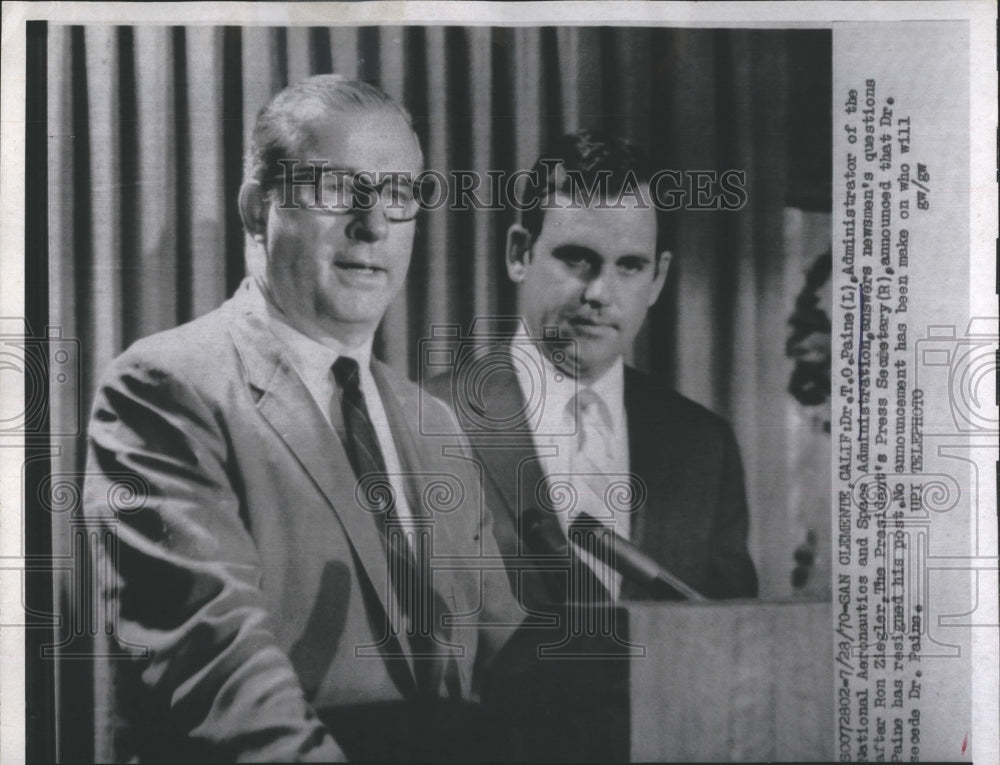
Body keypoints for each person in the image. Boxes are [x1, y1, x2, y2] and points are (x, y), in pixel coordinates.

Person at [83, 75, 519, 762]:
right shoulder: (165, 387)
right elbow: (220, 675)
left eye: (399, 194)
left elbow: (510, 672)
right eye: (337, 187)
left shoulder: (433, 423)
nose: (373, 224)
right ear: (259, 209)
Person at [425, 130, 759, 612]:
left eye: (629, 266)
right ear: (520, 254)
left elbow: (733, 650)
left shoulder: (705, 445)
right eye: (578, 258)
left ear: (658, 278)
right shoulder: (426, 419)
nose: (600, 293)